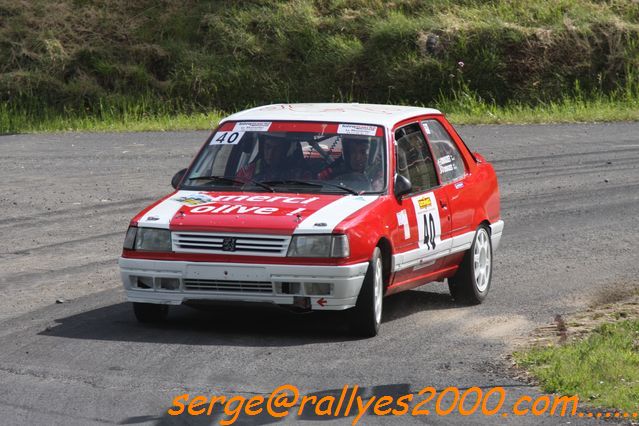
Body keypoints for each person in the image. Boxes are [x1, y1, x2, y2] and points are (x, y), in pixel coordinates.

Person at [317, 137, 383, 191]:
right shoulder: (330, 173)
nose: (357, 158)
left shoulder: (382, 173)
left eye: (363, 152)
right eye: (353, 152)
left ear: (371, 155)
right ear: (347, 154)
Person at [237, 135, 307, 181]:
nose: (270, 154)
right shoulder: (247, 172)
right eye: (268, 147)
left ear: (285, 150)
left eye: (276, 149)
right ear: (263, 147)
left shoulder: (299, 175)